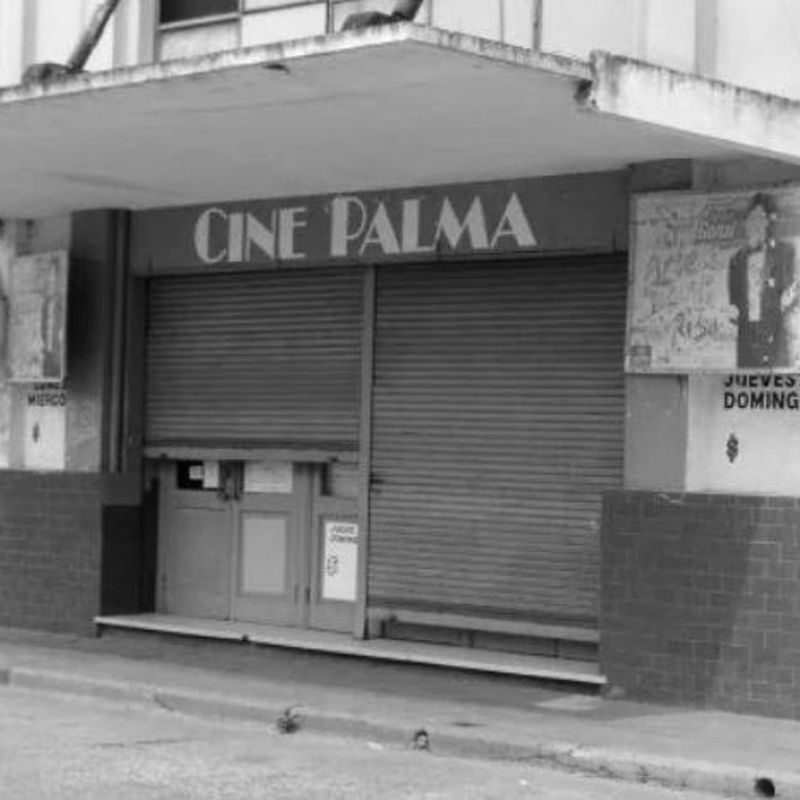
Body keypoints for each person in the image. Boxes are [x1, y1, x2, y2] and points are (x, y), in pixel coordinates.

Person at [728, 192, 799, 368]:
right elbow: (734, 302)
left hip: (774, 335)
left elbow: (792, 291)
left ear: (769, 222)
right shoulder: (737, 259)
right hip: (747, 339)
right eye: (750, 219)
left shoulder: (784, 253)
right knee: (744, 385)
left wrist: (787, 301)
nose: (753, 225)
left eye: (759, 218)